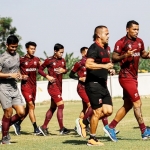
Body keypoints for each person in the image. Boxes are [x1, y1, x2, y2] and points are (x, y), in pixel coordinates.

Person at [103, 20, 150, 142]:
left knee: (128, 104)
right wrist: (125, 55)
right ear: (127, 29)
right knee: (137, 103)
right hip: (125, 77)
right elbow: (114, 57)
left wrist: (148, 55)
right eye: (134, 29)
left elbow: (143, 54)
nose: (136, 31)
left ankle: (111, 127)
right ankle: (144, 131)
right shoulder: (121, 42)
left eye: (138, 29)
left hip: (134, 77)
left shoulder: (139, 42)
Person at [76, 26, 115, 146]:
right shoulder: (94, 48)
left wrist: (109, 69)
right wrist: (104, 67)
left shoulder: (106, 48)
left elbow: (103, 64)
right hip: (93, 84)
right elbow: (88, 64)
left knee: (108, 111)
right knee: (97, 111)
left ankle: (85, 121)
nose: (108, 36)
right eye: (106, 34)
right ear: (99, 35)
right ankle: (92, 139)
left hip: (103, 85)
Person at [38, 43, 70, 135]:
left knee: (53, 107)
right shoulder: (49, 60)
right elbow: (40, 69)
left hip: (59, 86)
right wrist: (47, 76)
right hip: (52, 86)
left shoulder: (63, 60)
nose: (61, 54)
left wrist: (64, 71)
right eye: (60, 52)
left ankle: (43, 127)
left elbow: (65, 70)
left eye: (62, 52)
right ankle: (61, 129)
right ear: (55, 51)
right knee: (61, 105)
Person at [0, 35, 25, 144]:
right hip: (3, 87)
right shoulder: (2, 58)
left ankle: (4, 125)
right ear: (7, 45)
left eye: (15, 47)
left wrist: (19, 75)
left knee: (21, 113)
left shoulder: (17, 55)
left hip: (14, 87)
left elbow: (17, 70)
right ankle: (5, 138)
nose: (14, 49)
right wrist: (10, 75)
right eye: (12, 47)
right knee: (8, 112)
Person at [12, 41, 41, 135]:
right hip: (25, 86)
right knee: (31, 105)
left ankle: (18, 123)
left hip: (34, 87)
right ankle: (36, 128)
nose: (33, 50)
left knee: (30, 107)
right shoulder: (21, 60)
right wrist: (20, 76)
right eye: (31, 49)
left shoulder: (37, 59)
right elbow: (15, 70)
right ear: (27, 49)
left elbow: (41, 70)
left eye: (34, 49)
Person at [69, 47, 92, 132]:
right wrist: (79, 78)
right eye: (87, 52)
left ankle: (77, 126)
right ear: (82, 53)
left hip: (89, 88)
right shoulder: (79, 63)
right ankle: (85, 124)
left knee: (85, 108)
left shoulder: (91, 62)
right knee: (90, 106)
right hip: (81, 88)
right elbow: (71, 75)